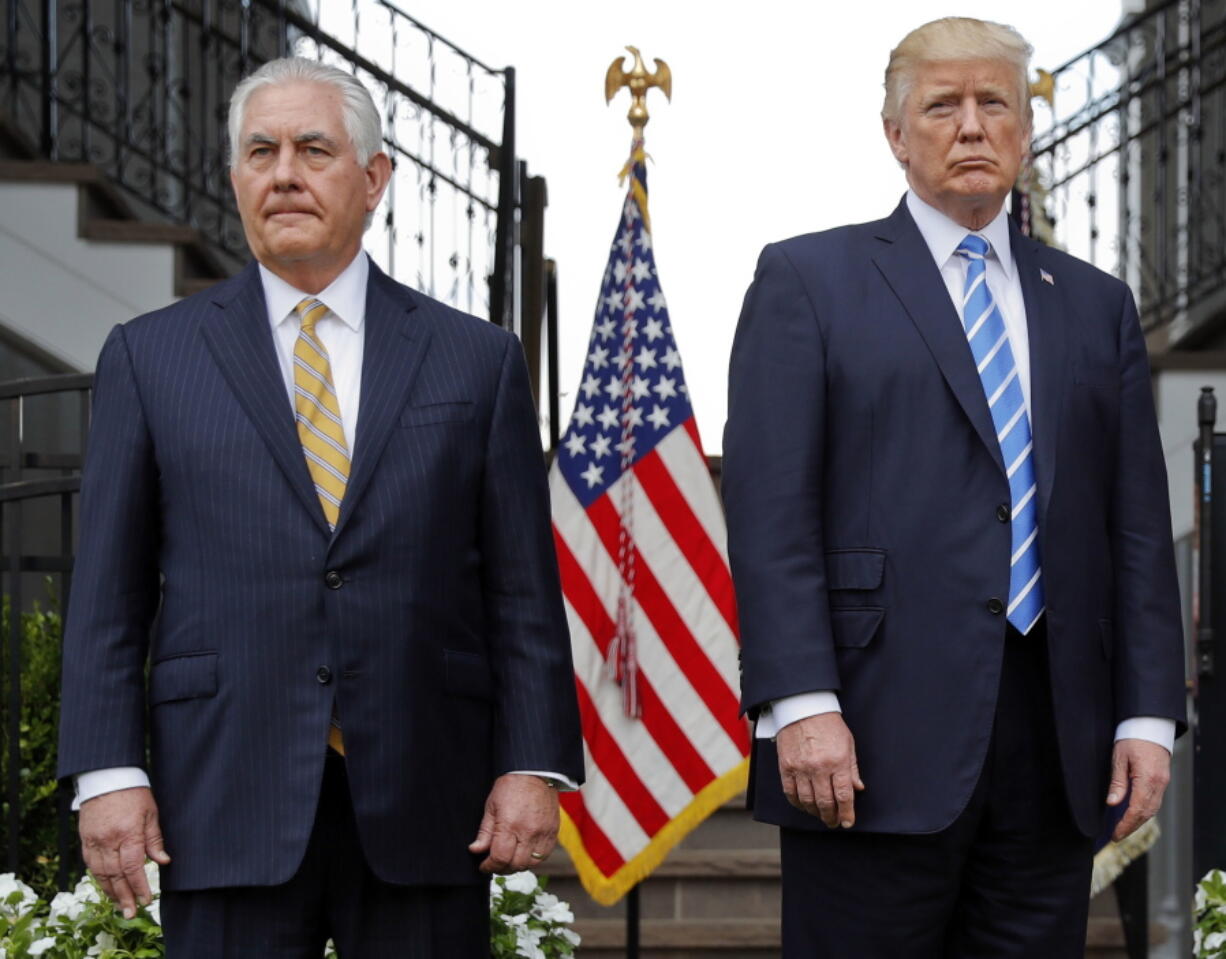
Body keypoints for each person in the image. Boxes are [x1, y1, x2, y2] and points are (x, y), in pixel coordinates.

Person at [57, 57, 583, 958]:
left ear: (374, 178)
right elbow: (108, 594)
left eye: (313, 148)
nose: (283, 172)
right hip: (222, 798)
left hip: (425, 793)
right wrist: (106, 771)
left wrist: (532, 760)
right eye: (260, 152)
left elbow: (521, 593)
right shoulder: (149, 359)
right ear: (235, 179)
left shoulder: (476, 360)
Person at [722, 17, 1186, 958]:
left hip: (1056, 747)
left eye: (995, 104)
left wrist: (1147, 713)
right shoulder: (808, 279)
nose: (972, 126)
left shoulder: (1096, 303)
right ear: (896, 134)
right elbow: (771, 515)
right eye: (944, 105)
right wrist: (800, 703)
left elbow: (1135, 524)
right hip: (866, 741)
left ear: (1024, 128)